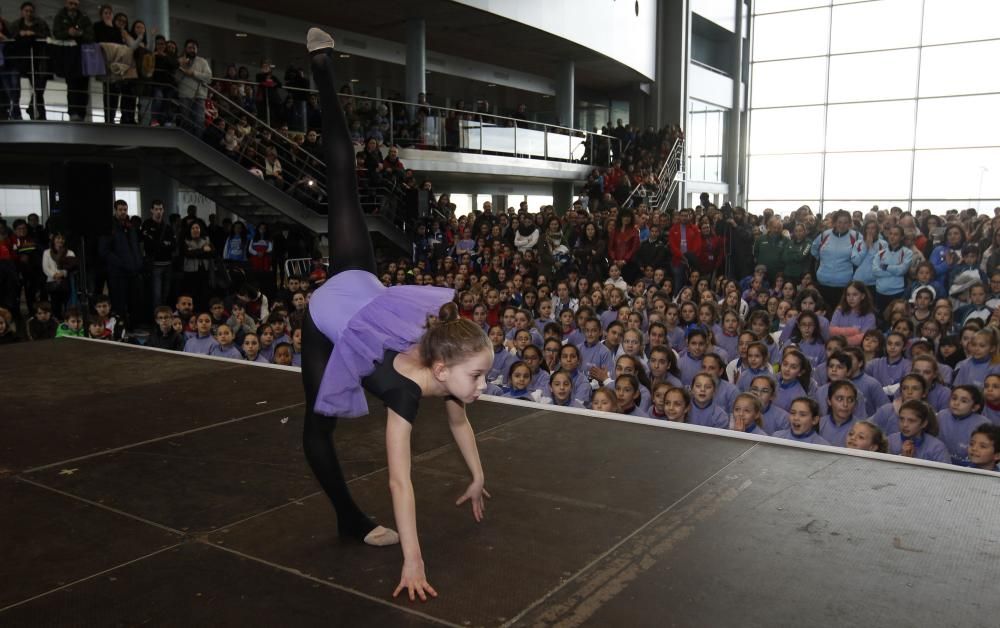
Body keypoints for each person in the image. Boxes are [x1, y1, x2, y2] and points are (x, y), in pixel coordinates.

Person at [301, 29, 493, 602]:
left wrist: (478, 474)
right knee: (319, 428)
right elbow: (399, 480)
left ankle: (324, 70)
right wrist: (414, 559)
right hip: (326, 317)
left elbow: (461, 419)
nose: (483, 385)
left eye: (483, 375)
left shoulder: (444, 371)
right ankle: (323, 67)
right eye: (477, 376)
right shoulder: (408, 396)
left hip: (359, 281)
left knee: (346, 195)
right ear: (441, 369)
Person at [810, 210, 860, 309]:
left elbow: (861, 256)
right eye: (839, 222)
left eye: (845, 222)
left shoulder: (856, 237)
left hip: (844, 285)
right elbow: (814, 250)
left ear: (850, 224)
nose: (842, 225)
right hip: (823, 283)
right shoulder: (825, 235)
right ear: (834, 223)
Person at [175, 39, 211, 138]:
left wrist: (193, 73)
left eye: (194, 48)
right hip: (184, 94)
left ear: (197, 50)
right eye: (190, 48)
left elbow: (208, 77)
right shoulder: (179, 60)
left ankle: (198, 145)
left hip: (199, 96)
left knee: (199, 120)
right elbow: (176, 80)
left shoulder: (202, 61)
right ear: (185, 49)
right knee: (186, 121)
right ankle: (186, 144)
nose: (192, 50)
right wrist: (182, 66)